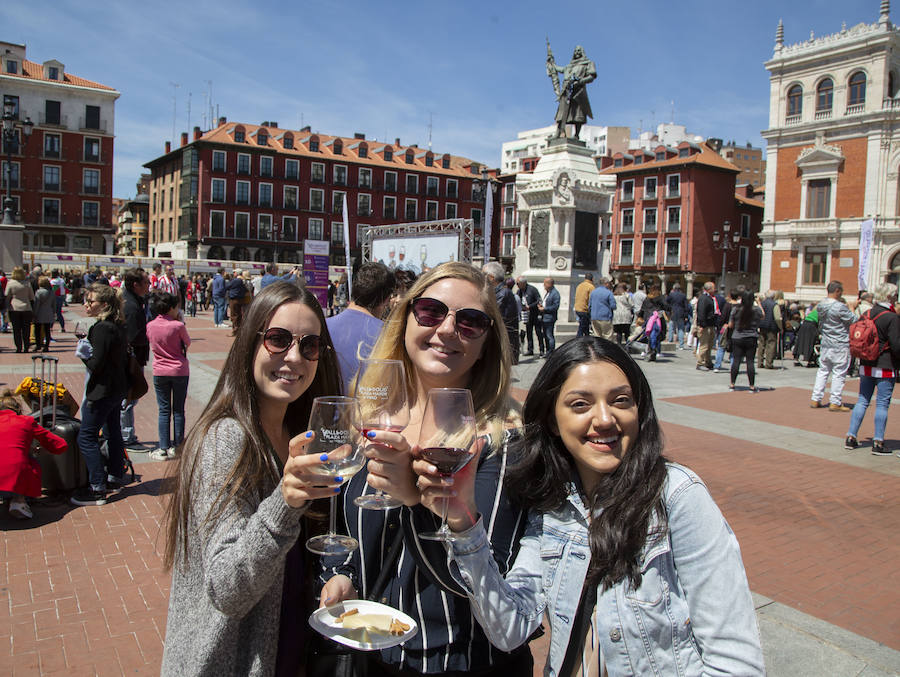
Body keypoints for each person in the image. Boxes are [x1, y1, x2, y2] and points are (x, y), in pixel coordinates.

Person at [415, 337, 765, 676]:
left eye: (621, 400)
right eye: (580, 404)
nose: (604, 419)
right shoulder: (553, 507)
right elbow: (510, 628)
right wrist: (463, 522)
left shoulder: (676, 496)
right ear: (553, 419)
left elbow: (734, 662)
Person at [320, 262, 532, 675]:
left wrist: (415, 499)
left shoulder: (503, 442)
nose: (447, 329)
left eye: (470, 322)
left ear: (488, 342)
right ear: (405, 319)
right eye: (431, 311)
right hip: (373, 651)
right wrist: (341, 574)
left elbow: (491, 585)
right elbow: (346, 524)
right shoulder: (370, 414)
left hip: (460, 660)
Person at [160, 281, 344, 676]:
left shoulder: (297, 434)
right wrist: (285, 502)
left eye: (309, 346)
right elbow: (227, 588)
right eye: (278, 340)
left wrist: (337, 575)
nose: (294, 357)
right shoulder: (228, 438)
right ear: (250, 341)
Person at [71, 283, 130, 507]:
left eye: (91, 301)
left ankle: (97, 487)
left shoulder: (102, 328)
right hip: (116, 388)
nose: (87, 304)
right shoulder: (118, 325)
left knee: (86, 436)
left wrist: (83, 354)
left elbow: (96, 364)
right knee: (112, 430)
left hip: (103, 390)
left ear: (104, 305)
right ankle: (115, 474)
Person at [845, 283, 900, 456]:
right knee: (882, 404)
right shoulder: (892, 317)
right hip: (885, 365)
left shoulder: (866, 313)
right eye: (896, 294)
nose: (897, 297)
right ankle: (878, 442)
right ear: (889, 296)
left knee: (862, 400)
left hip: (866, 363)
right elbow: (897, 345)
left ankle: (851, 437)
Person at [326, 262, 397, 393]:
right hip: (368, 411)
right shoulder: (390, 336)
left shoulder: (322, 327)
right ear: (387, 299)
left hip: (325, 409)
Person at [0, 389, 67, 520]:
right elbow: (60, 445)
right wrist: (40, 451)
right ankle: (18, 500)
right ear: (18, 409)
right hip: (14, 473)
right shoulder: (26, 421)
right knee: (28, 461)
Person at [145, 292, 191, 462]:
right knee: (178, 410)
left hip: (160, 370)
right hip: (179, 370)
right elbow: (187, 342)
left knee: (163, 410)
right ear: (171, 308)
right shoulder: (178, 326)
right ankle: (177, 446)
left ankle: (163, 446)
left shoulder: (150, 325)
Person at [811, 280, 857, 411]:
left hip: (826, 342)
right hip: (840, 343)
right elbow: (854, 320)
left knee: (823, 371)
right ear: (837, 291)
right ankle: (835, 401)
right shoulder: (839, 307)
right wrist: (852, 308)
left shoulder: (821, 305)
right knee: (839, 373)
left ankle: (816, 398)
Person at [120, 268, 151, 452]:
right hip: (131, 359)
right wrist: (148, 336)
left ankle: (126, 434)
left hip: (134, 357)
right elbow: (132, 336)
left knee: (130, 399)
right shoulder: (131, 306)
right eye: (146, 282)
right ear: (136, 285)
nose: (149, 286)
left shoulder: (135, 302)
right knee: (128, 398)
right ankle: (126, 436)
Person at [548, 45, 597, 138]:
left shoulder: (588, 63)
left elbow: (591, 76)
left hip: (578, 92)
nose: (577, 52)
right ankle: (558, 133)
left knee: (578, 113)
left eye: (579, 51)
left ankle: (576, 135)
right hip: (566, 91)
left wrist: (580, 81)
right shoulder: (569, 66)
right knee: (561, 112)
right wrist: (551, 63)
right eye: (575, 51)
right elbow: (559, 69)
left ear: (582, 52)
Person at [483, 261, 519, 365]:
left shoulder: (503, 293)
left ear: (491, 277)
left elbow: (492, 313)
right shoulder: (498, 292)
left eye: (483, 275)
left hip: (502, 341)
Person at [728, 291, 763, 392]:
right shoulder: (756, 310)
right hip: (751, 337)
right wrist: (759, 302)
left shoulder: (736, 309)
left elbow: (730, 324)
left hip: (737, 337)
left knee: (736, 361)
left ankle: (732, 384)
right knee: (750, 361)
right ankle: (751, 386)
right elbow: (763, 315)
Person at [5, 267, 35, 353]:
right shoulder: (27, 283)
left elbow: (7, 296)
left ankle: (18, 347)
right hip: (26, 308)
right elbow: (31, 297)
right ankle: (26, 347)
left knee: (16, 330)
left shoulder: (10, 283)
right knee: (26, 329)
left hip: (14, 309)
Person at [516, 276, 544, 356]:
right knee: (528, 332)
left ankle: (541, 349)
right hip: (526, 315)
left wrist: (530, 306)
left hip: (534, 313)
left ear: (523, 283)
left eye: (518, 284)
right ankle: (530, 349)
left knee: (538, 332)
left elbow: (538, 300)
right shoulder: (519, 291)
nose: (517, 285)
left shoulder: (532, 289)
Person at [757, 290, 782, 369]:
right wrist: (780, 327)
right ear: (773, 296)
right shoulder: (775, 305)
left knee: (761, 344)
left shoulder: (762, 303)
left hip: (762, 326)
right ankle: (769, 363)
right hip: (771, 327)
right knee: (771, 344)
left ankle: (760, 362)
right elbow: (777, 318)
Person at [695, 281, 717, 371]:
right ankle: (700, 362)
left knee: (709, 344)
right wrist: (702, 325)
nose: (715, 290)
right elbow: (701, 312)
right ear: (709, 289)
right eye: (713, 288)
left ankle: (708, 361)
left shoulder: (709, 298)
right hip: (705, 325)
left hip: (710, 324)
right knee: (704, 345)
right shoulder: (704, 298)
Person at [589, 276, 616, 341]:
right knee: (607, 336)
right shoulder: (609, 293)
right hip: (605, 317)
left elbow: (590, 305)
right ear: (606, 283)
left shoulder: (593, 292)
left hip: (594, 317)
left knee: (596, 336)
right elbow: (613, 306)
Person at [32, 276, 55, 352]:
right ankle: (46, 346)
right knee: (47, 331)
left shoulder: (38, 292)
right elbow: (54, 304)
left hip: (40, 313)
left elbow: (37, 304)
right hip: (48, 312)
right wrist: (53, 313)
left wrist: (34, 313)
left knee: (37, 330)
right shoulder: (52, 292)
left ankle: (38, 345)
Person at [539, 276, 560, 357]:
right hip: (545, 317)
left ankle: (551, 352)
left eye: (545, 284)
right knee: (546, 335)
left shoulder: (555, 294)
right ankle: (548, 351)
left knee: (549, 335)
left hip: (549, 318)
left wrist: (544, 309)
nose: (544, 286)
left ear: (549, 284)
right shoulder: (548, 292)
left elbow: (555, 306)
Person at [666, 282, 689, 349]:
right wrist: (686, 315)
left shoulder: (671, 295)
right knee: (681, 329)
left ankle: (670, 341)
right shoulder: (683, 295)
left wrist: (668, 311)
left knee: (671, 328)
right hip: (681, 313)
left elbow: (667, 302)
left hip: (673, 312)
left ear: (674, 288)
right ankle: (681, 344)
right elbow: (686, 306)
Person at [226, 269, 249, 335]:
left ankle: (235, 330)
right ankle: (239, 329)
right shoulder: (243, 280)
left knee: (234, 315)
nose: (233, 273)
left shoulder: (236, 280)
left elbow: (227, 286)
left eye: (234, 272)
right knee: (239, 314)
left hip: (234, 298)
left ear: (237, 273)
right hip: (241, 299)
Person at [573, 273, 594, 337]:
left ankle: (586, 338)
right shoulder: (591, 287)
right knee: (582, 327)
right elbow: (591, 299)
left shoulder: (579, 285)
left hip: (577, 308)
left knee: (585, 326)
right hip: (585, 309)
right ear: (592, 279)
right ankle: (578, 338)